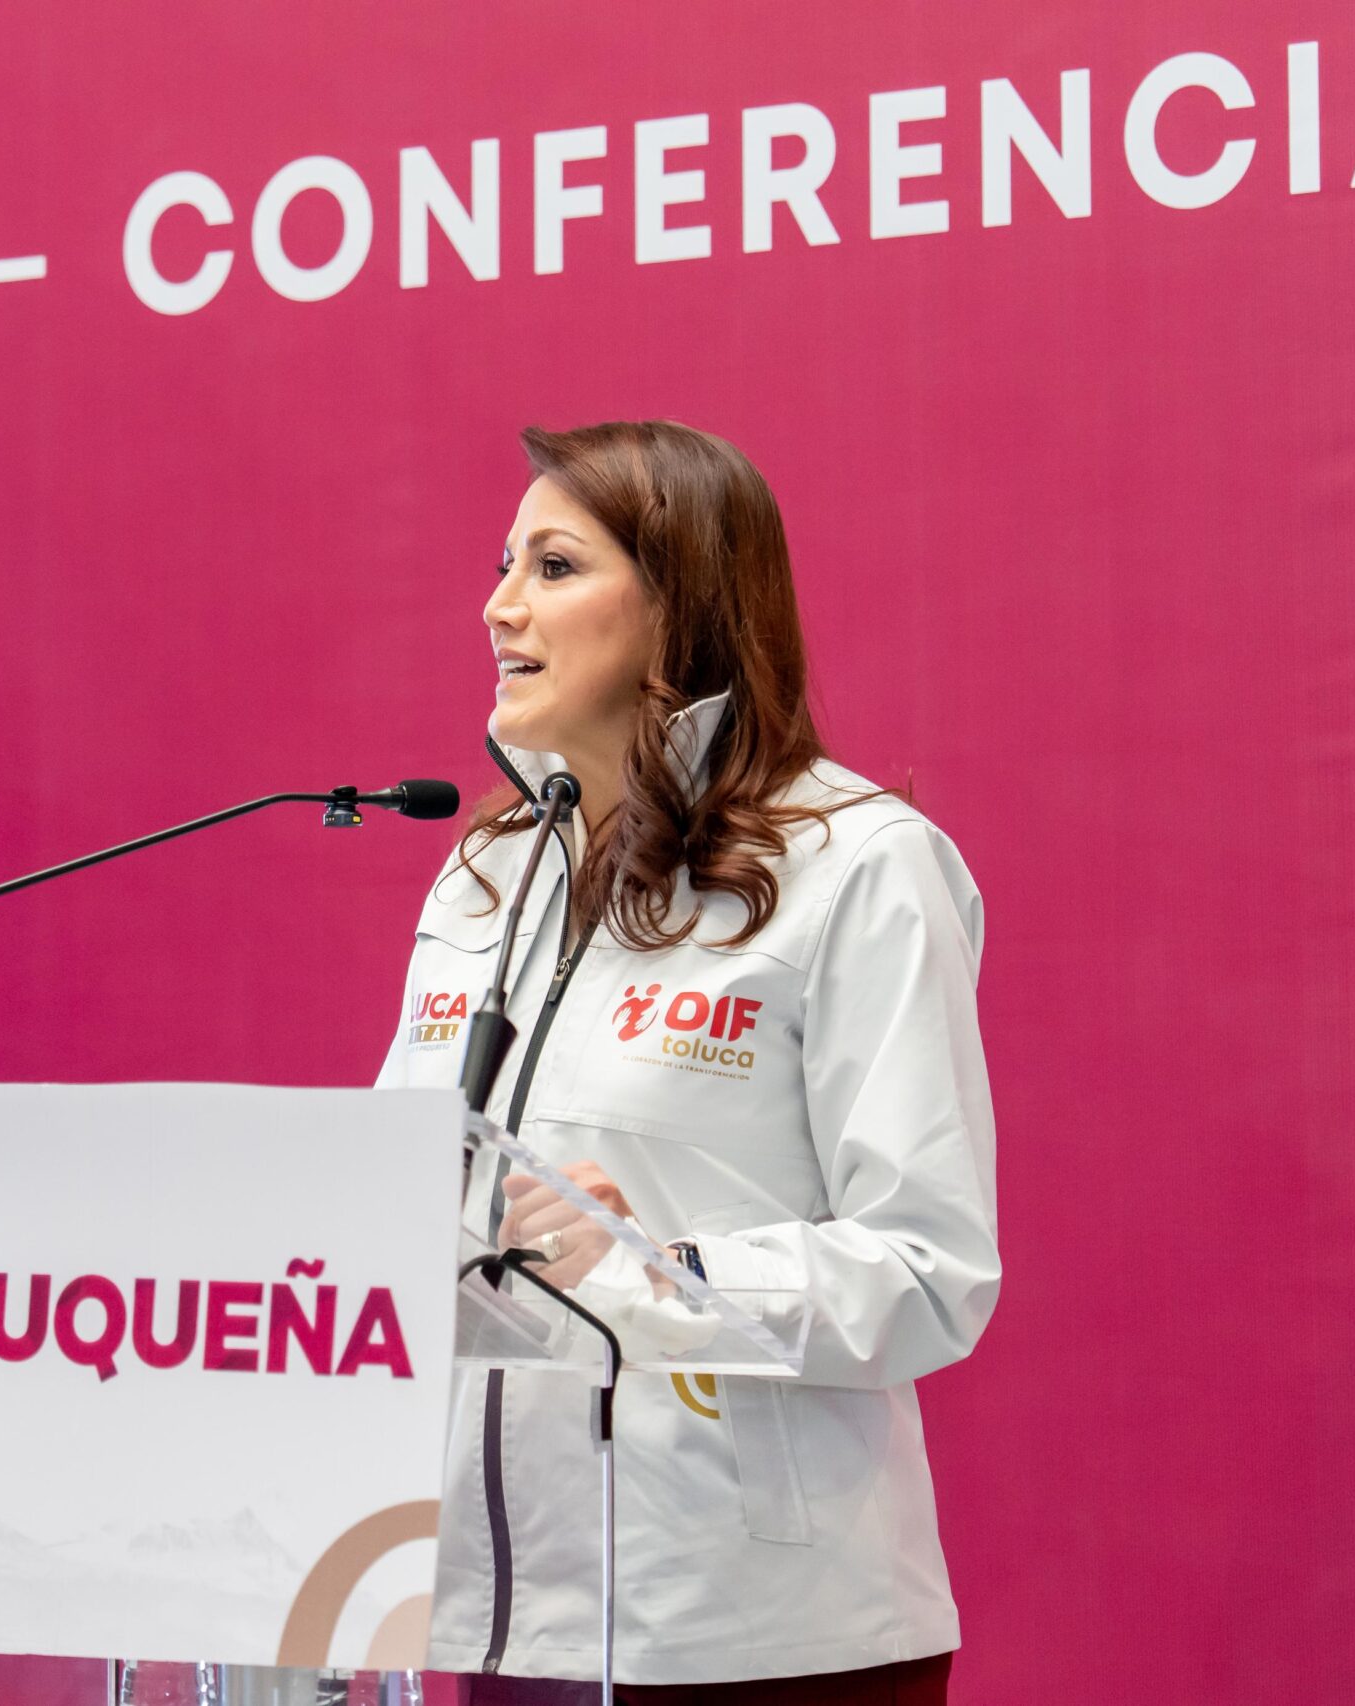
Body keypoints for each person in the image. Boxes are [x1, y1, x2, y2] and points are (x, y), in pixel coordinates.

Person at [374, 421, 998, 1704]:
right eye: (503, 565)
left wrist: (659, 1268)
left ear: (679, 605)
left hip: (756, 1629)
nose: (498, 606)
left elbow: (930, 1270)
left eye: (554, 567)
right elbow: (400, 1191)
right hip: (506, 1620)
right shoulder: (484, 871)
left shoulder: (857, 863)